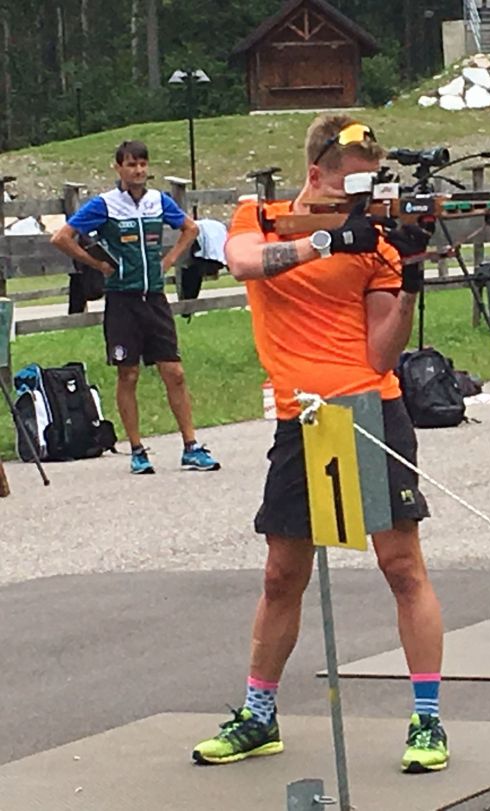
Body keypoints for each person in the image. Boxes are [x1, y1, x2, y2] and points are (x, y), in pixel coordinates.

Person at [192, 114, 449, 774]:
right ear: (315, 175)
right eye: (350, 182)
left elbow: (380, 352)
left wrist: (410, 275)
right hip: (298, 416)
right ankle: (258, 713)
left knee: (401, 566)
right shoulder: (264, 214)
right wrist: (327, 241)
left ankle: (426, 718)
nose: (361, 195)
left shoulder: (378, 241)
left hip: (370, 406)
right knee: (282, 573)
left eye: (369, 181)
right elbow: (242, 261)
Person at [50, 140, 220, 474]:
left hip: (154, 298)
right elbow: (61, 237)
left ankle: (191, 445)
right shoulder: (105, 205)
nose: (138, 170)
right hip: (122, 301)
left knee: (175, 372)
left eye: (142, 164)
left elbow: (190, 227)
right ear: (118, 168)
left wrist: (169, 260)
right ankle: (137, 449)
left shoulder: (159, 201)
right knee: (128, 373)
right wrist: (95, 265)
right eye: (131, 164)